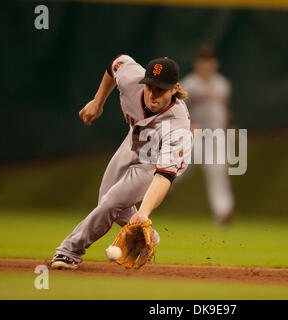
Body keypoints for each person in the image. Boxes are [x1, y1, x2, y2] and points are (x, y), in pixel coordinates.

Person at [49, 55, 191, 269]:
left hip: (155, 162)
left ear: (174, 89)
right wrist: (97, 103)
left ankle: (69, 251)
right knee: (106, 199)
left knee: (110, 203)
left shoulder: (177, 126)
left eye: (161, 88)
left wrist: (144, 212)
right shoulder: (131, 79)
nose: (153, 93)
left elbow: (163, 176)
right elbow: (116, 63)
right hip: (134, 141)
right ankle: (149, 236)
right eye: (150, 86)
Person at [180, 45, 235, 227]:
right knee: (176, 171)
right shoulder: (188, 84)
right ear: (197, 64)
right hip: (193, 135)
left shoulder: (223, 84)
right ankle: (148, 199)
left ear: (214, 64)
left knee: (218, 174)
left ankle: (224, 213)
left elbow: (226, 110)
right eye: (203, 61)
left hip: (216, 135)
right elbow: (178, 111)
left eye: (209, 61)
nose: (206, 64)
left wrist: (228, 127)